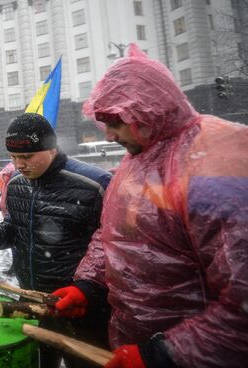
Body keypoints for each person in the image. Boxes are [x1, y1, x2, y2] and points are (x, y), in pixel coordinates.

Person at [50, 45, 248, 368]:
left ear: (147, 110)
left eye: (115, 121)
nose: (110, 135)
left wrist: (166, 355)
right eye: (104, 123)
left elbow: (241, 299)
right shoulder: (137, 160)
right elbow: (113, 235)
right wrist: (88, 285)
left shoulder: (211, 163)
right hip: (131, 343)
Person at [0, 113, 112, 368]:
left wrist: (88, 290)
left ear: (51, 148)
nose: (19, 164)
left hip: (78, 305)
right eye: (13, 157)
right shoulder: (15, 185)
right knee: (37, 362)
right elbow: (14, 231)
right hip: (32, 298)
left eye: (26, 157)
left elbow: (112, 246)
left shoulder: (95, 185)